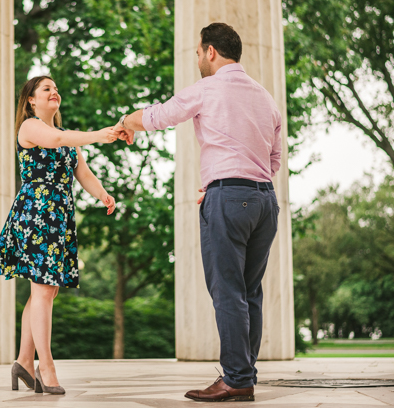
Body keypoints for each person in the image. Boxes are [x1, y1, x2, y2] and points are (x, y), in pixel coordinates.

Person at [114, 22, 282, 403]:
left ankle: (237, 378)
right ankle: (244, 375)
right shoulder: (265, 97)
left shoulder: (208, 88)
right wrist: (248, 180)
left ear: (210, 51)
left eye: (198, 52)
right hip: (265, 201)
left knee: (227, 292)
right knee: (249, 292)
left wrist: (126, 123)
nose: (198, 60)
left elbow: (159, 116)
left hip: (228, 199)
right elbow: (274, 159)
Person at [0, 75, 119, 395]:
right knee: (43, 291)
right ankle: (47, 368)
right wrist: (100, 134)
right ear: (31, 100)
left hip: (58, 216)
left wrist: (102, 195)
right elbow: (58, 142)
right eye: (47, 89)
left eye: (56, 89)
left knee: (45, 292)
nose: (54, 92)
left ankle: (23, 362)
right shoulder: (30, 127)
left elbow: (81, 172)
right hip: (36, 214)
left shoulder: (62, 133)